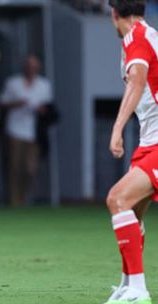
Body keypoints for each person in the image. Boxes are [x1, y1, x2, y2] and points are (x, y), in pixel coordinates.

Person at [104, 1, 156, 303]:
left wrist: (117, 128)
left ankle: (138, 289)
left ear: (114, 14)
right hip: (150, 141)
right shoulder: (146, 34)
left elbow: (136, 81)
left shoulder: (136, 37)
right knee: (132, 211)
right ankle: (128, 284)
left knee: (117, 199)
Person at [0, 54, 52, 206]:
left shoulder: (44, 85)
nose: (31, 69)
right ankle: (14, 201)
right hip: (15, 130)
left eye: (34, 66)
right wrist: (17, 104)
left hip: (33, 132)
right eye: (29, 66)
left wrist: (42, 110)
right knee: (14, 166)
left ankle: (24, 197)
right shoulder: (13, 83)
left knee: (30, 168)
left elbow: (48, 107)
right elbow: (2, 102)